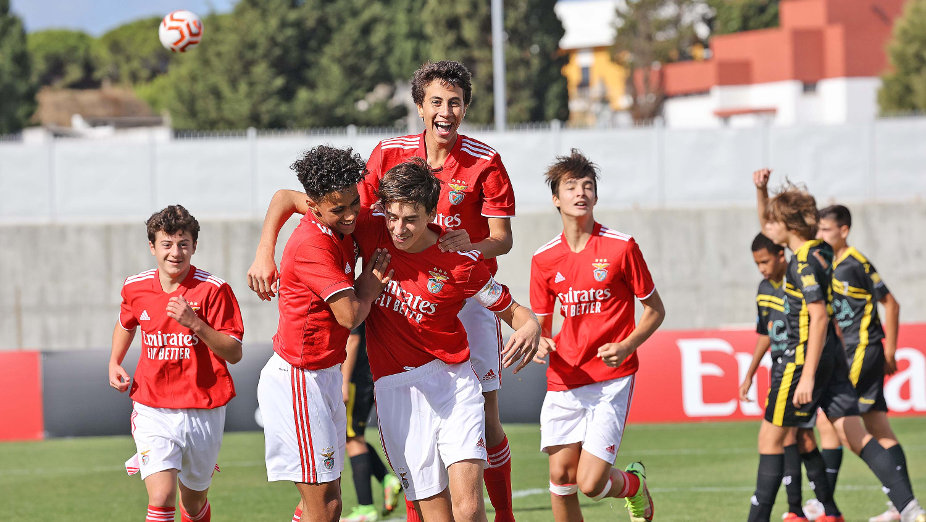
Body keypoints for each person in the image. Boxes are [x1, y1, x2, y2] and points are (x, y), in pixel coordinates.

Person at [252, 157, 544, 522]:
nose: (400, 229)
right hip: (394, 390)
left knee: (467, 509)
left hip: (452, 383)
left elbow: (512, 310)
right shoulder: (364, 223)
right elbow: (290, 198)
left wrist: (530, 323)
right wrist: (264, 253)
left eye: (410, 218)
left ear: (430, 212)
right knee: (417, 513)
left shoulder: (459, 260)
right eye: (392, 217)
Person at [359, 60, 518, 522]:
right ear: (419, 107)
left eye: (455, 102)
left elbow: (502, 239)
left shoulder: (485, 160)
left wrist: (472, 244)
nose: (445, 110)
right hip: (405, 293)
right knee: (412, 437)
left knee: (486, 420)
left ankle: (504, 514)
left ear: (465, 107)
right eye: (436, 101)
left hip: (465, 292)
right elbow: (360, 217)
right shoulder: (388, 153)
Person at [748, 169, 924, 522]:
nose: (768, 227)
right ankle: (911, 510)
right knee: (853, 432)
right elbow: (768, 225)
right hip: (834, 355)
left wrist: (808, 375)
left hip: (801, 360)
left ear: (788, 226)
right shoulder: (823, 251)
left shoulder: (801, 263)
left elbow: (819, 316)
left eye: (774, 222)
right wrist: (763, 191)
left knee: (769, 440)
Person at [248, 146, 392, 522]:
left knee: (324, 503)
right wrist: (372, 282)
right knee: (326, 506)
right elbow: (350, 315)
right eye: (337, 209)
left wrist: (265, 250)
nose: (349, 216)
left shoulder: (329, 207)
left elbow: (282, 197)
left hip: (323, 374)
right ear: (314, 206)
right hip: (300, 379)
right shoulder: (313, 245)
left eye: (353, 203)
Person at [529, 150, 664, 522]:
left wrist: (626, 345)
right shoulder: (543, 259)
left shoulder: (622, 247)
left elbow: (655, 310)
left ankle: (634, 486)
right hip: (563, 380)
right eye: (570, 186)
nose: (580, 193)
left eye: (587, 186)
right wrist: (539, 342)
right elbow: (541, 325)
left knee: (589, 483)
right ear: (556, 198)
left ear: (596, 195)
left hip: (610, 381)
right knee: (560, 477)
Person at [109, 204, 244, 522]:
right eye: (167, 244)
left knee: (193, 503)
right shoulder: (135, 287)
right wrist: (114, 361)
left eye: (183, 244)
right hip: (152, 407)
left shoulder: (214, 290)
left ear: (194, 246)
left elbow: (234, 352)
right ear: (152, 246)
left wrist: (195, 323)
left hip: (203, 409)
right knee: (161, 497)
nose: (175, 252)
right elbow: (126, 322)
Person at [817, 204, 913, 522]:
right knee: (877, 426)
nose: (820, 236)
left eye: (826, 230)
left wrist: (891, 351)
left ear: (844, 230)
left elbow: (892, 303)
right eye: (818, 230)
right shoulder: (829, 264)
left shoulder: (854, 263)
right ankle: (900, 506)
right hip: (854, 351)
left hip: (860, 350)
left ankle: (823, 503)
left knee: (831, 418)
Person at [739, 232, 832, 522]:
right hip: (781, 371)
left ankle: (811, 509)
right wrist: (750, 373)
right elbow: (764, 333)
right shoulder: (764, 288)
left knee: (790, 436)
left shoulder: (799, 280)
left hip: (802, 369)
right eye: (757, 264)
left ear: (781, 254)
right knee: (793, 436)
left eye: (765, 261)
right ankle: (805, 511)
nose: (762, 269)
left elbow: (822, 318)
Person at [340, 323, 402, 522]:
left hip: (356, 378)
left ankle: (366, 508)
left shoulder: (352, 296)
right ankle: (386, 478)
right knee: (352, 437)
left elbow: (353, 337)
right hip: (365, 374)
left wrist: (344, 381)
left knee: (352, 439)